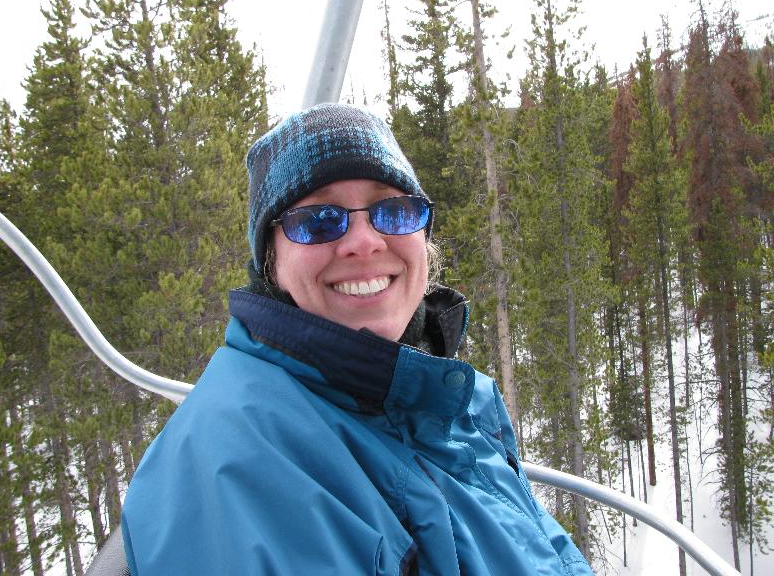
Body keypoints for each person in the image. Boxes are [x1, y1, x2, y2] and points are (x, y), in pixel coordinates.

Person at [121, 103, 593, 575]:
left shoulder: (451, 399)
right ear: (271, 262)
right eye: (318, 220)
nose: (365, 242)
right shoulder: (241, 469)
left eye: (394, 211)